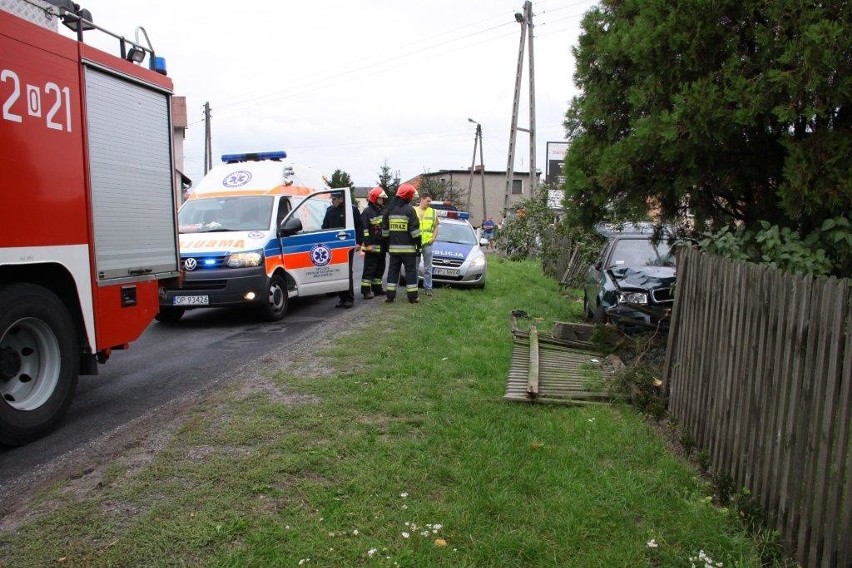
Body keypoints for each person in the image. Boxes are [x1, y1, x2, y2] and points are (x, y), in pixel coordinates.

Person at [381, 183, 420, 304]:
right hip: (408, 251)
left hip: (393, 250)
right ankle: (413, 297)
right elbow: (415, 232)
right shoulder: (410, 210)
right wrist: (419, 246)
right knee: (411, 272)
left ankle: (390, 296)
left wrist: (388, 246)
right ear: (407, 196)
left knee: (393, 272)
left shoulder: (389, 210)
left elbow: (385, 232)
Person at [321, 190, 361, 308]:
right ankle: (342, 298)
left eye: (334, 199)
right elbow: (324, 227)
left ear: (341, 199)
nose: (332, 201)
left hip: (347, 245)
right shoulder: (330, 211)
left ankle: (349, 298)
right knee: (337, 272)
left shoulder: (352, 210)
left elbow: (359, 226)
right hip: (333, 246)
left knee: (347, 271)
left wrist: (359, 242)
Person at [360, 187, 387, 299]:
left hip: (382, 246)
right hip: (371, 246)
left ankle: (377, 289)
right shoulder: (367, 212)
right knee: (369, 270)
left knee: (380, 268)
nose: (382, 200)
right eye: (380, 198)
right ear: (375, 198)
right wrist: (368, 245)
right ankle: (366, 291)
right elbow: (365, 230)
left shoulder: (383, 210)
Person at [415, 192, 439, 296]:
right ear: (422, 199)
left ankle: (428, 288)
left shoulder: (433, 212)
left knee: (428, 267)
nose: (429, 203)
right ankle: (413, 288)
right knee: (414, 267)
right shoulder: (413, 210)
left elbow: (436, 226)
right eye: (427, 201)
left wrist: (433, 238)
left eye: (430, 201)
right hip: (415, 243)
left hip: (427, 243)